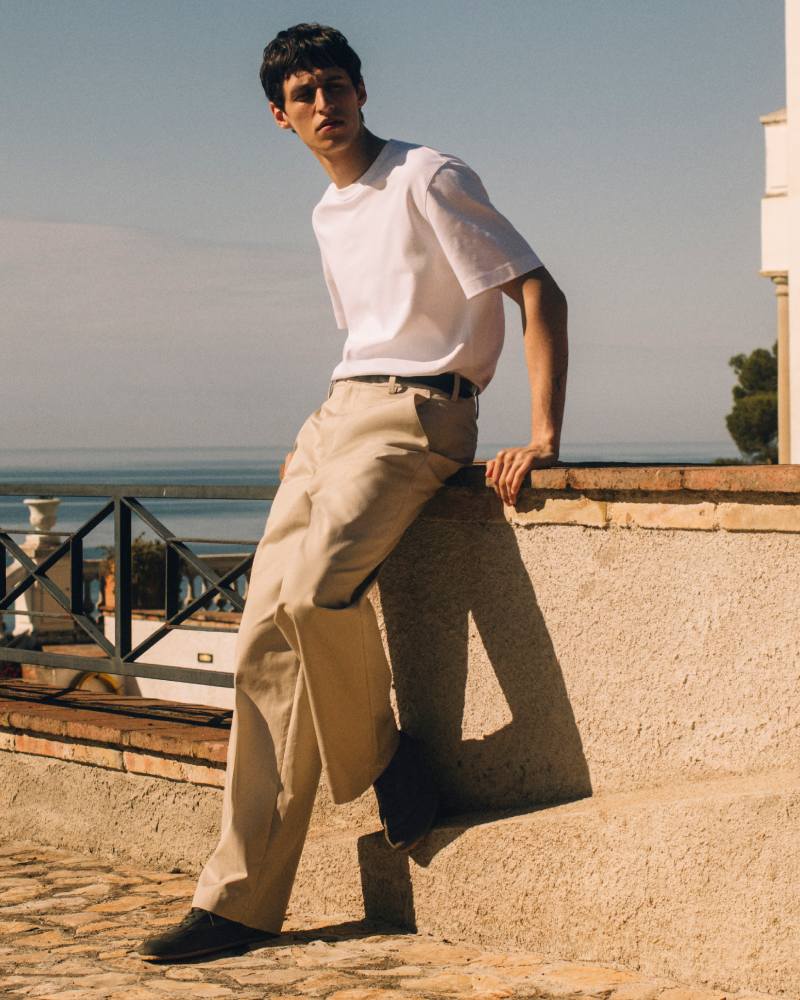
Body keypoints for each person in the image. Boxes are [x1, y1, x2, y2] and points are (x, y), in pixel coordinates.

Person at [138, 22, 568, 962]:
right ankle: (239, 901)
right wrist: (327, 434)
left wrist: (544, 438)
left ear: (361, 91)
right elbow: (364, 337)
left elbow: (540, 292)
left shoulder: (428, 175)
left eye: (335, 85)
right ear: (280, 117)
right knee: (261, 638)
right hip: (337, 412)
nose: (323, 105)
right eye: (304, 95)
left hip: (422, 409)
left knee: (309, 595)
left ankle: (385, 757)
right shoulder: (328, 213)